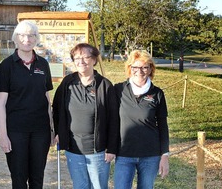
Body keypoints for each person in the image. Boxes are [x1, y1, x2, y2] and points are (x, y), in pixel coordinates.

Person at [0, 21, 54, 189]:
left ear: (36, 39)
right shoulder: (7, 65)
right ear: (15, 38)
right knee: (19, 178)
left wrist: (51, 129)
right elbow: (1, 103)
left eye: (31, 35)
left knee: (37, 178)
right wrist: (3, 135)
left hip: (40, 131)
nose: (26, 39)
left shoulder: (43, 64)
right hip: (15, 131)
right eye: (22, 35)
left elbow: (47, 98)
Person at [52, 43, 115, 189]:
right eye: (77, 58)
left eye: (86, 57)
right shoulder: (68, 83)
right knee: (80, 186)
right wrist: (58, 132)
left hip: (98, 151)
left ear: (94, 60)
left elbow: (114, 120)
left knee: (98, 186)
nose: (81, 61)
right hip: (73, 149)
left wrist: (111, 148)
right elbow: (57, 108)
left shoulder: (105, 85)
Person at [109, 50, 169, 189]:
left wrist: (164, 155)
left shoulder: (157, 93)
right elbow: (112, 121)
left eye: (144, 67)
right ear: (130, 68)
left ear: (150, 69)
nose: (140, 71)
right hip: (124, 153)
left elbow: (163, 126)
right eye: (135, 67)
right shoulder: (119, 90)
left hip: (150, 155)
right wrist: (110, 148)